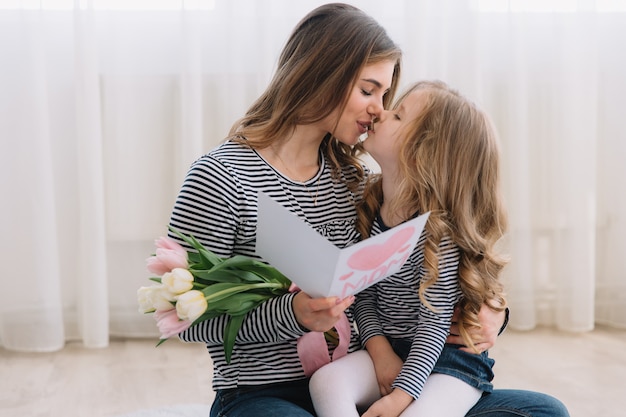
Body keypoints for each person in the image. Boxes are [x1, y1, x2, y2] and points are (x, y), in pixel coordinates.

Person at [165, 3, 566, 417]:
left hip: (370, 382)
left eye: (386, 95)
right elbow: (188, 319)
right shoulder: (219, 177)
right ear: (322, 75)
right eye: (368, 90)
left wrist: (491, 312)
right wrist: (294, 314)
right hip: (264, 395)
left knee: (544, 412)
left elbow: (431, 275)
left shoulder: (356, 182)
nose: (378, 109)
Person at [309, 80, 570, 417]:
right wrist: (381, 353)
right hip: (390, 349)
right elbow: (364, 297)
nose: (382, 113)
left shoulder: (437, 234)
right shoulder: (368, 209)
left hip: (449, 363)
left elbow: (434, 326)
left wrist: (401, 397)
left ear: (421, 153)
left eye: (399, 115)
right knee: (326, 384)